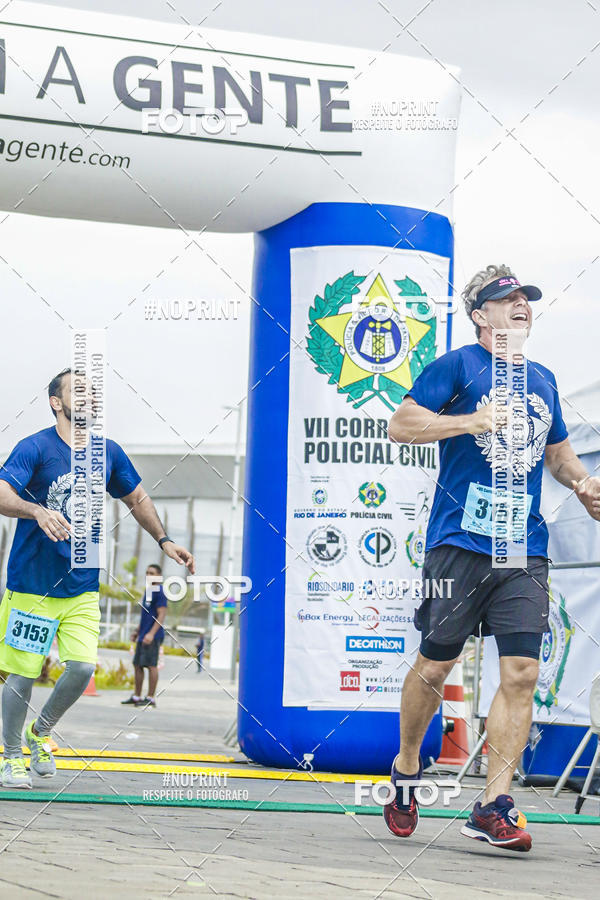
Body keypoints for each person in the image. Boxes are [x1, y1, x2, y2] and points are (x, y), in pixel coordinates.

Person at [384, 265, 600, 852]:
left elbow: (558, 457)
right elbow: (400, 425)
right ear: (481, 315)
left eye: (526, 298)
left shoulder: (545, 379)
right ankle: (407, 769)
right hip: (458, 543)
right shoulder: (458, 366)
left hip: (522, 547)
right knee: (434, 667)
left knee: (523, 673)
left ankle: (492, 804)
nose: (521, 305)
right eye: (507, 299)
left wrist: (583, 485)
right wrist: (471, 419)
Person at [0, 368, 195, 788]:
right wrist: (36, 510)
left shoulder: (107, 452)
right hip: (32, 587)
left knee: (83, 668)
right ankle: (11, 755)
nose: (89, 398)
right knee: (23, 675)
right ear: (57, 402)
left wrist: (164, 540)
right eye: (78, 392)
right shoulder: (34, 448)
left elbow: (137, 497)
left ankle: (41, 732)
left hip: (82, 586)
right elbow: (2, 492)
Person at [121, 564, 167, 707]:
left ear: (159, 576)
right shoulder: (148, 591)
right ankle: (136, 696)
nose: (149, 575)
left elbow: (162, 614)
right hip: (143, 634)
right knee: (137, 665)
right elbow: (146, 615)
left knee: (151, 665)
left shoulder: (159, 591)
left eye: (152, 573)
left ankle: (150, 698)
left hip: (153, 635)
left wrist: (151, 634)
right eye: (147, 572)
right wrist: (137, 631)